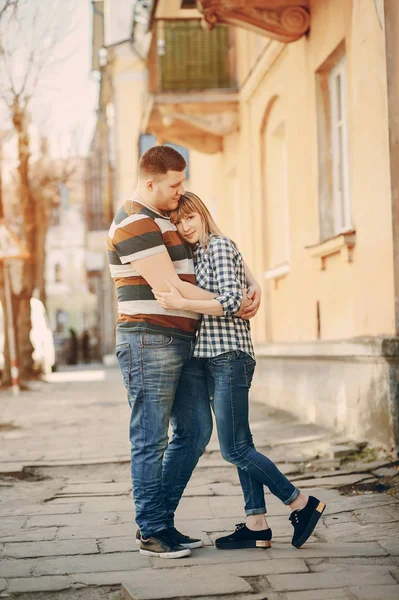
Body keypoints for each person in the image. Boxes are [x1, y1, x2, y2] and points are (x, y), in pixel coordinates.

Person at [108, 146, 260, 559]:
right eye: (175, 184)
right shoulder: (135, 221)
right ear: (150, 181)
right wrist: (229, 299)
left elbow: (211, 246)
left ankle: (162, 521)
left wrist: (252, 283)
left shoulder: (166, 221)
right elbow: (171, 289)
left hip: (183, 339)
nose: (181, 191)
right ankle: (151, 530)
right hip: (148, 339)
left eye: (183, 182)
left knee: (194, 430)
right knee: (150, 436)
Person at [153, 191, 326, 550]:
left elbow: (231, 301)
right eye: (178, 221)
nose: (185, 226)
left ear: (202, 214)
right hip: (213, 357)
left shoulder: (216, 245)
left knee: (234, 449)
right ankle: (257, 523)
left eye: (190, 218)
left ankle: (301, 504)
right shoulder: (199, 252)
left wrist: (182, 302)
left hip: (229, 355)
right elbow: (241, 285)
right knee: (241, 443)